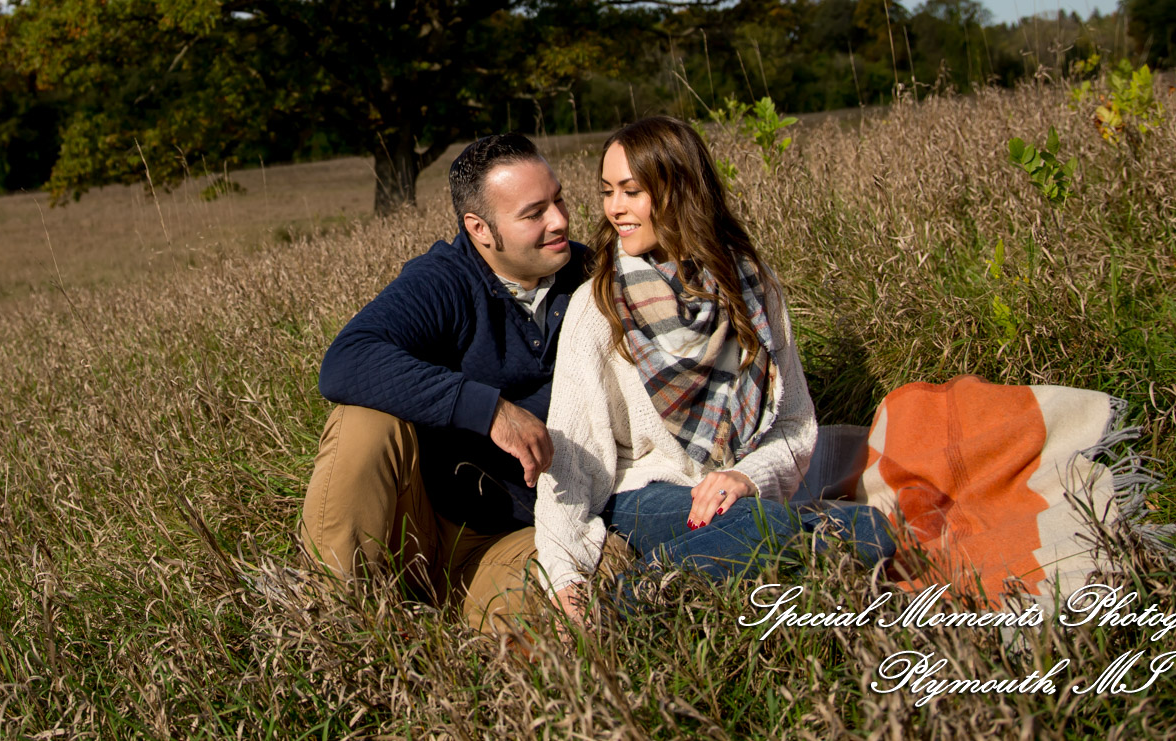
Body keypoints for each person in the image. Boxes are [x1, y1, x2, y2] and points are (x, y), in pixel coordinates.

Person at [535, 115, 893, 620]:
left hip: (734, 490)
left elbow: (794, 424)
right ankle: (618, 609)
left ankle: (656, 588)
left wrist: (746, 476)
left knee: (864, 531)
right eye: (607, 191)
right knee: (811, 532)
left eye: (632, 192)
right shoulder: (598, 306)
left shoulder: (750, 285)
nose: (615, 208)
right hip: (646, 495)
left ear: (680, 191)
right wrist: (564, 572)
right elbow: (572, 453)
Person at [301, 132, 587, 632]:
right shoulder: (446, 279)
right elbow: (346, 360)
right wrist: (490, 410)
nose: (559, 220)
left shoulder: (592, 275)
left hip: (517, 542)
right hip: (413, 527)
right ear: (480, 229)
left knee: (602, 576)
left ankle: (471, 638)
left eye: (559, 199)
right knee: (364, 422)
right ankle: (335, 626)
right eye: (533, 213)